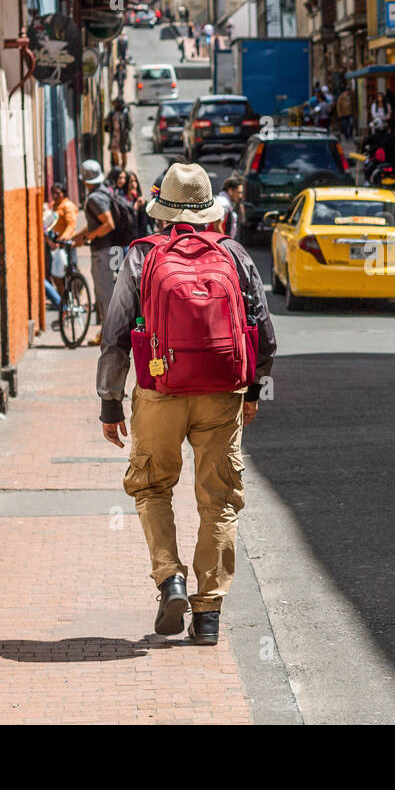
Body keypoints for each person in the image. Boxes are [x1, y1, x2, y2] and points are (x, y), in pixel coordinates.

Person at [96, 163, 277, 646]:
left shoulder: (140, 257)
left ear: (163, 211)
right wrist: (254, 389)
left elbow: (115, 337)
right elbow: (262, 328)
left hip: (159, 390)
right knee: (219, 500)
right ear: (208, 211)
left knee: (152, 487)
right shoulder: (235, 255)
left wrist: (110, 403)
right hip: (222, 392)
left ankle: (170, 579)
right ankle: (209, 613)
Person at [73, 159, 121, 346]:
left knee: (105, 294)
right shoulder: (105, 192)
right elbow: (97, 222)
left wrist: (88, 238)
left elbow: (108, 224)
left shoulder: (95, 198)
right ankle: (109, 333)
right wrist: (81, 234)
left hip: (103, 252)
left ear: (85, 180)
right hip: (113, 249)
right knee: (112, 292)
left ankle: (111, 337)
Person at [46, 182, 79, 298]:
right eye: (53, 193)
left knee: (71, 270)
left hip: (66, 243)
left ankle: (75, 296)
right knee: (57, 273)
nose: (55, 195)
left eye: (58, 193)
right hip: (57, 244)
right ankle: (64, 298)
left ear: (63, 193)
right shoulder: (54, 205)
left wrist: (63, 239)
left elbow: (71, 224)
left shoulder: (67, 206)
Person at [123, 171, 153, 240]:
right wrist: (136, 207)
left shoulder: (138, 198)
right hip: (128, 238)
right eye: (130, 181)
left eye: (135, 181)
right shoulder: (122, 200)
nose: (133, 184)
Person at [105, 97, 132, 169]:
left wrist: (126, 131)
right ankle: (117, 166)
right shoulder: (112, 113)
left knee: (123, 151)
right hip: (115, 135)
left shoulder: (125, 113)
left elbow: (129, 124)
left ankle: (123, 167)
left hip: (123, 135)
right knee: (114, 151)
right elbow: (107, 123)